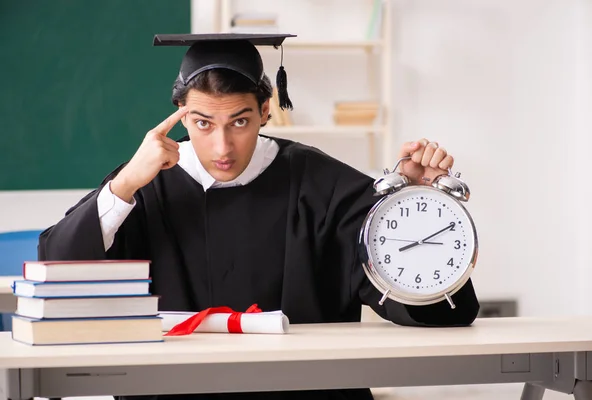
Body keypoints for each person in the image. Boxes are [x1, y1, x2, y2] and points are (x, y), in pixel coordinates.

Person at [38, 33, 479, 400]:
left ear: (266, 111)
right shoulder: (146, 185)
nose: (222, 147)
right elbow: (58, 268)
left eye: (240, 122)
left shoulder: (320, 183)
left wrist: (413, 207)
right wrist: (124, 185)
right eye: (203, 123)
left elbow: (438, 311)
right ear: (180, 117)